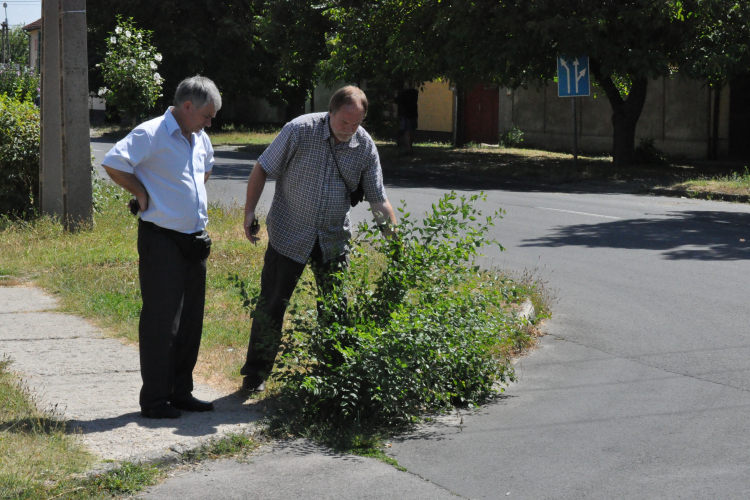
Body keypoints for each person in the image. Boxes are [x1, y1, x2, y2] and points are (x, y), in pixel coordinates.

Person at [240, 85, 397, 392]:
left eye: (357, 124)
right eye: (344, 123)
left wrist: (396, 244)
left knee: (335, 308)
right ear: (331, 112)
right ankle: (255, 373)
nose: (350, 130)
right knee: (272, 303)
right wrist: (248, 213)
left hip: (333, 239)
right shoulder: (299, 130)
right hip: (289, 232)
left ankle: (334, 375)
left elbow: (379, 200)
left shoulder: (364, 146)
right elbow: (262, 168)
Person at [102, 76, 221, 419]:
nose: (209, 122)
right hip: (162, 240)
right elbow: (113, 162)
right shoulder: (151, 133)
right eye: (206, 116)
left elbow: (205, 171)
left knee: (190, 323)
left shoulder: (199, 138)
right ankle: (155, 400)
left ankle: (181, 392)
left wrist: (186, 199)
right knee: (160, 322)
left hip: (195, 241)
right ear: (187, 107)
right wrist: (142, 193)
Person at [394, 81, 419, 155]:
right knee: (411, 132)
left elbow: (396, 100)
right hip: (414, 114)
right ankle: (410, 148)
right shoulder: (415, 92)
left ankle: (409, 150)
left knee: (407, 132)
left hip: (406, 114)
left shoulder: (404, 93)